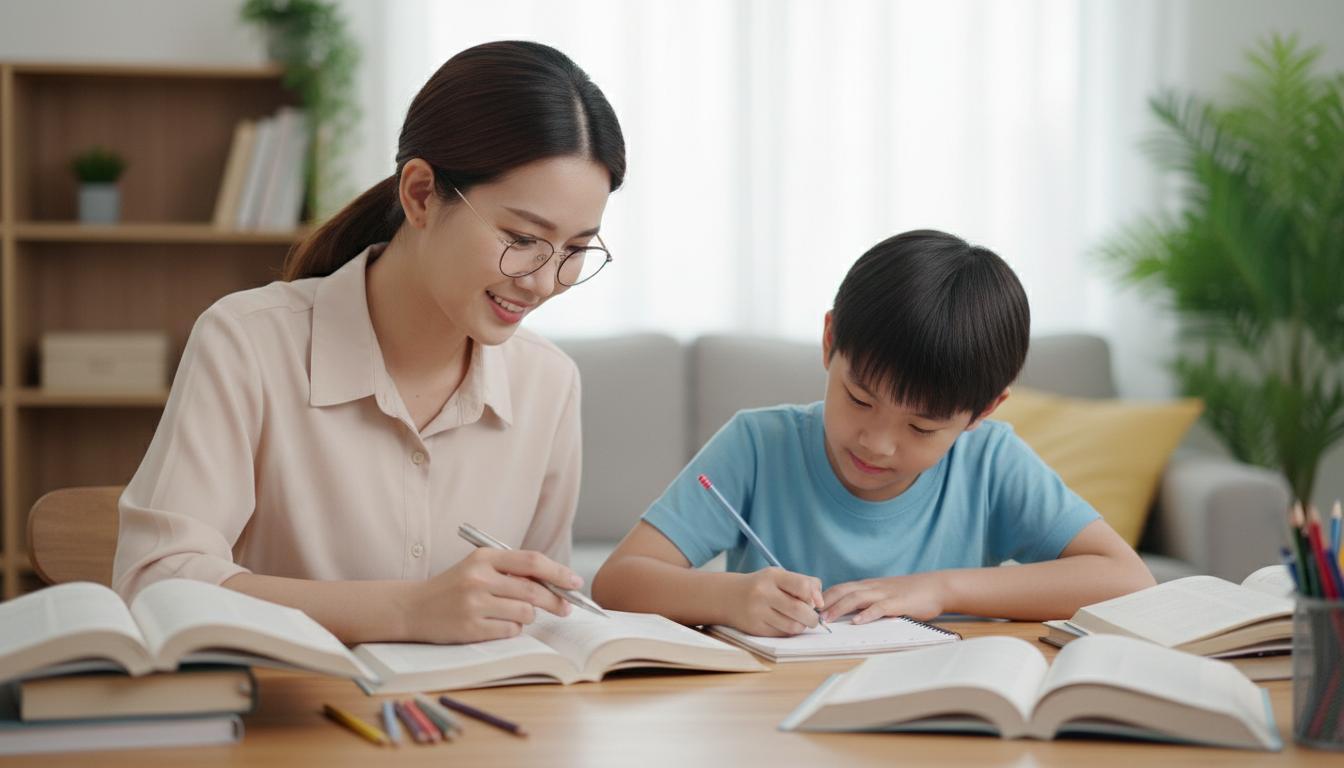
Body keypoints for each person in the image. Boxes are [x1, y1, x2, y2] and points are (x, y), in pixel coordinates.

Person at [113, 41, 625, 645]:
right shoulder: (247, 343)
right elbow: (156, 582)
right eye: (521, 238)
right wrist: (409, 611)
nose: (543, 281)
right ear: (419, 194)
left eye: (574, 251)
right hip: (286, 724)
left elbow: (539, 609)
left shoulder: (548, 382)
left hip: (476, 728)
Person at [592, 230, 1155, 636]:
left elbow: (1129, 581)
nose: (877, 443)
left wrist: (940, 589)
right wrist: (730, 596)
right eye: (859, 399)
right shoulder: (758, 446)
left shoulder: (990, 461)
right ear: (829, 340)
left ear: (983, 410)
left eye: (922, 426)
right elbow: (617, 583)